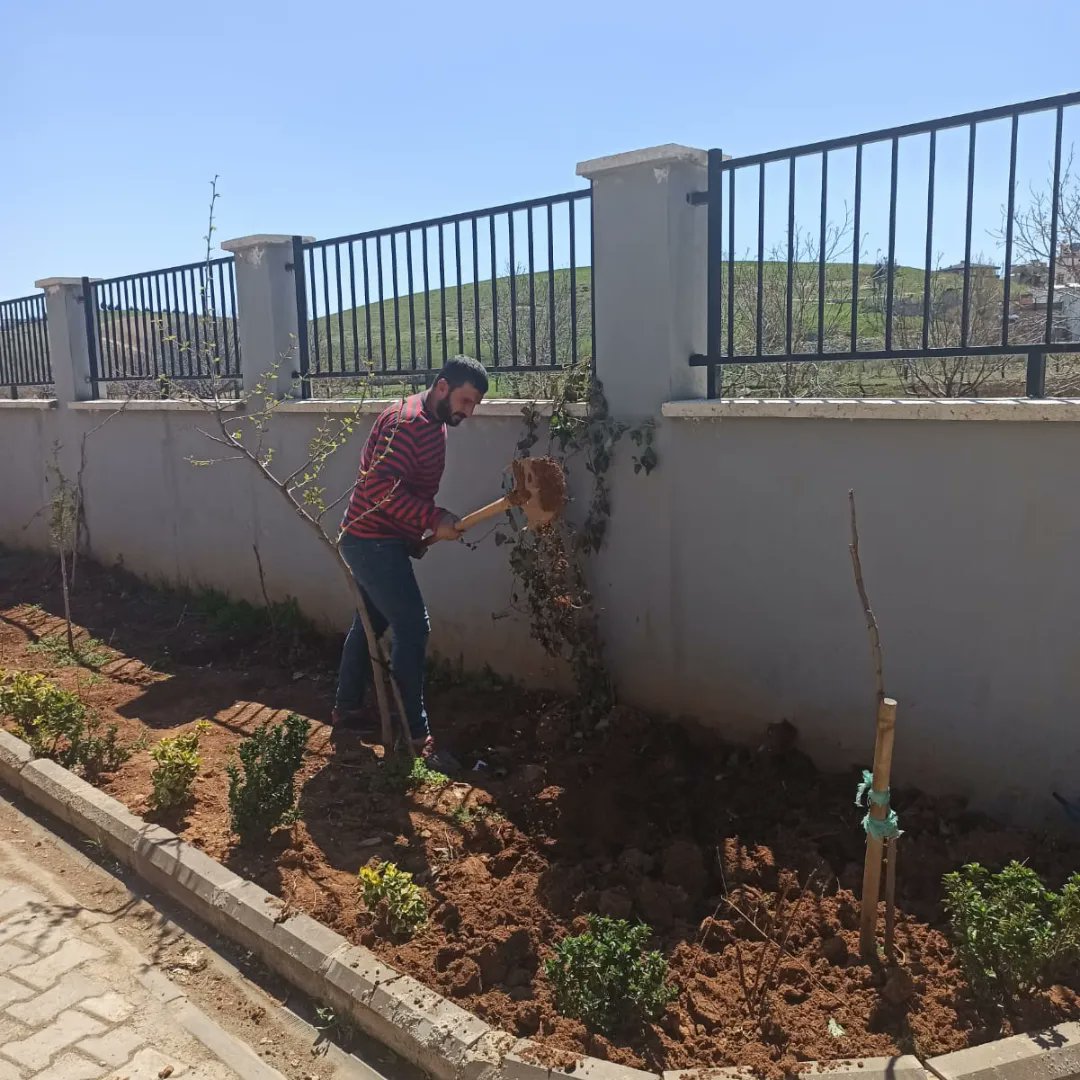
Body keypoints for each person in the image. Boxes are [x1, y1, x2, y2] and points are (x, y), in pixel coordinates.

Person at [333, 355, 489, 769]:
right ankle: (414, 733)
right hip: (371, 541)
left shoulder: (432, 421)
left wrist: (417, 534)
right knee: (412, 626)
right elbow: (383, 490)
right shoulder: (409, 425)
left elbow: (404, 491)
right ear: (442, 386)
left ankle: (347, 710)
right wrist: (433, 519)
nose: (468, 412)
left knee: (370, 624)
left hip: (383, 538)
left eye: (474, 405)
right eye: (465, 400)